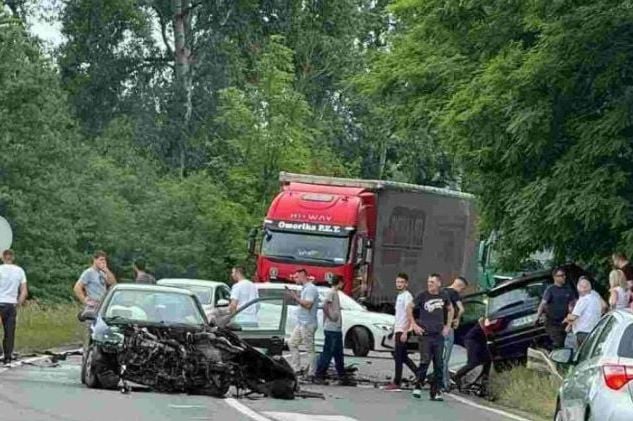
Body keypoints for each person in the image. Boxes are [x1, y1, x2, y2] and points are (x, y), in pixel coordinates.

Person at [407, 273, 454, 401]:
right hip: (425, 335)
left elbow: (451, 309)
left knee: (439, 364)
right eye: (428, 282)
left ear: (439, 283)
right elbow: (409, 308)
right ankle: (418, 385)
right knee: (425, 361)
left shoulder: (444, 295)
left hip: (438, 335)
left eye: (432, 282)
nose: (430, 284)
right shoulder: (422, 295)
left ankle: (436, 391)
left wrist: (447, 326)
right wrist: (414, 324)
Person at [313, 276, 355, 386]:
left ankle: (342, 376)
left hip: (335, 328)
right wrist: (331, 317)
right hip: (332, 328)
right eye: (343, 283)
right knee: (328, 352)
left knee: (338, 353)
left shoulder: (335, 293)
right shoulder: (331, 292)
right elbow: (325, 306)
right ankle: (319, 375)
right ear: (340, 283)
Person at [384, 273, 418, 391]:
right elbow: (398, 316)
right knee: (402, 356)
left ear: (406, 284)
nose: (399, 284)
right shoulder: (399, 296)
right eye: (398, 282)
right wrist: (394, 331)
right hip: (398, 329)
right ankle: (420, 375)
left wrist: (405, 331)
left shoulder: (407, 296)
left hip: (404, 330)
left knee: (398, 356)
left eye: (401, 282)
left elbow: (409, 315)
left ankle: (397, 382)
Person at [286, 268, 319, 378]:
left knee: (309, 348)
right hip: (301, 323)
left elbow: (308, 304)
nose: (295, 279)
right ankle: (297, 369)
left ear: (302, 276)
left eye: (296, 277)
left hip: (307, 323)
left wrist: (295, 297)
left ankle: (312, 373)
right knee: (292, 343)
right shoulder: (305, 288)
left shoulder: (310, 289)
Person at [534, 267, 576, 349]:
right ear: (555, 277)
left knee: (567, 342)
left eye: (564, 275)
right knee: (558, 341)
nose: (564, 277)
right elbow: (543, 303)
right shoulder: (550, 290)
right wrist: (537, 317)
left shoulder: (567, 289)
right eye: (561, 275)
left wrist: (572, 315)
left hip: (565, 321)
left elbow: (572, 303)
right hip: (552, 322)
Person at [0, 249, 28, 365]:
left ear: (2, 258)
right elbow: (24, 291)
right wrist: (18, 303)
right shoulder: (19, 271)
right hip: (11, 304)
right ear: (13, 258)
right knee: (9, 332)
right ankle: (7, 357)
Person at [442, 276, 468, 391]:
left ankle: (442, 381)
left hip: (438, 328)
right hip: (449, 329)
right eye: (462, 289)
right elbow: (461, 309)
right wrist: (457, 319)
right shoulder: (454, 293)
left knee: (438, 356)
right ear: (460, 286)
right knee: (445, 359)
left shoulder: (441, 291)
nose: (461, 292)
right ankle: (445, 384)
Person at [564, 277, 606, 348]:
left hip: (583, 333)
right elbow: (604, 306)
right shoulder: (596, 298)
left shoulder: (583, 300)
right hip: (594, 331)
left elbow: (574, 317)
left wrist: (567, 317)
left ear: (579, 288)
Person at [453, 318, 491, 393]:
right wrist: (488, 332)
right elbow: (481, 320)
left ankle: (482, 383)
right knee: (473, 362)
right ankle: (457, 376)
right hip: (472, 339)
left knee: (488, 360)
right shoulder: (490, 314)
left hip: (482, 341)